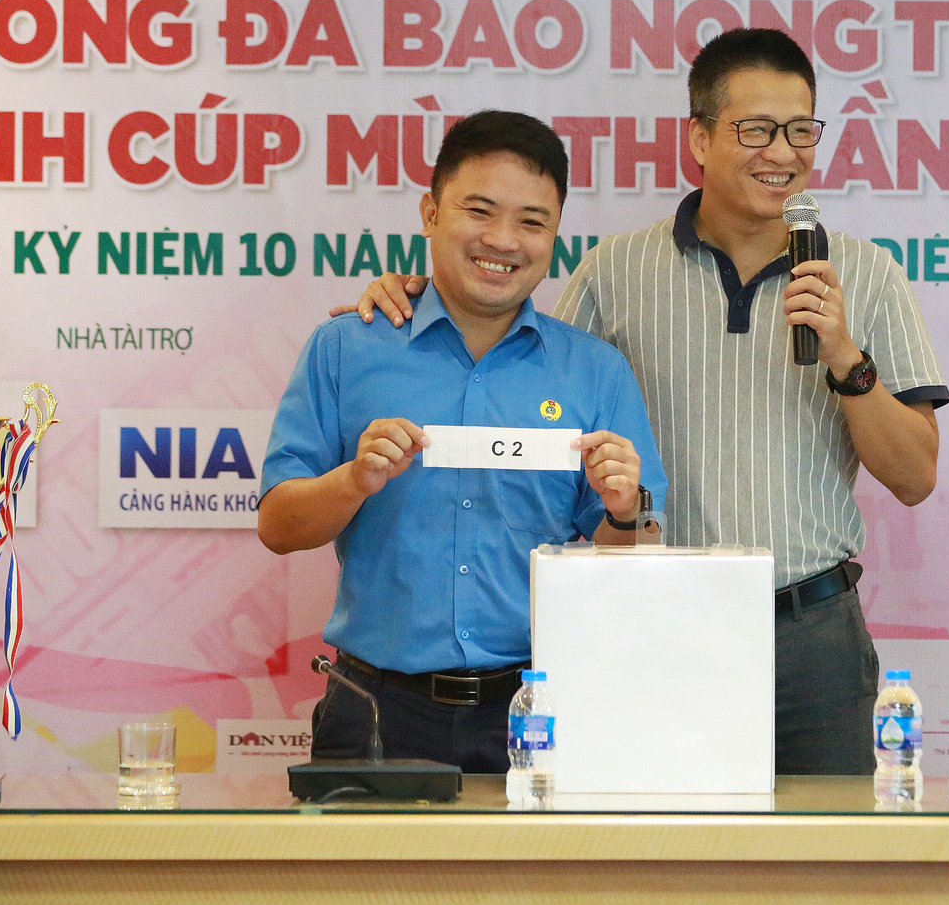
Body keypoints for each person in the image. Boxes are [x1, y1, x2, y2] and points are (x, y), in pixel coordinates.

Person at [338, 29, 948, 773]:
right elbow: (526, 381)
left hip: (809, 632)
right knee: (655, 839)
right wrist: (417, 300)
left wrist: (846, 358)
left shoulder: (867, 274)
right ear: (700, 138)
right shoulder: (615, 271)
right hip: (648, 621)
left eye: (800, 131)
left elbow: (915, 477)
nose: (781, 153)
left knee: (823, 846)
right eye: (755, 129)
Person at [260, 110, 667, 773]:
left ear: (555, 237)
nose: (502, 240)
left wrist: (626, 512)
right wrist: (354, 480)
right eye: (479, 211)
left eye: (532, 222)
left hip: (539, 710)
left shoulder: (595, 371)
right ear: (430, 213)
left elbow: (638, 555)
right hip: (374, 711)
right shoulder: (346, 348)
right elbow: (278, 527)